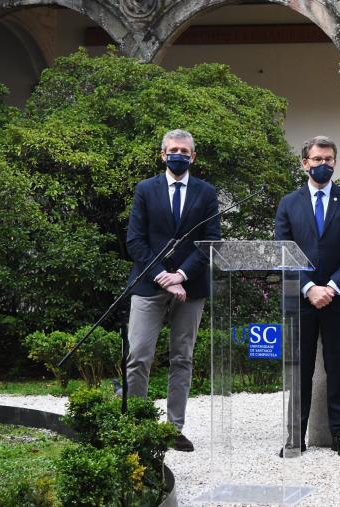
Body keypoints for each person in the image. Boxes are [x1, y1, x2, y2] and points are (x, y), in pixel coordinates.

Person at [125, 129, 220, 452]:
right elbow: (135, 241)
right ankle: (137, 425)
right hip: (148, 283)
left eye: (184, 151)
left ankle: (173, 429)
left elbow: (211, 240)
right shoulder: (145, 189)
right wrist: (163, 276)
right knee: (139, 355)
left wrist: (181, 274)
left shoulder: (206, 192)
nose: (178, 155)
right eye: (173, 150)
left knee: (182, 358)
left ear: (193, 156)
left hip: (191, 286)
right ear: (163, 154)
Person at [274, 135, 340, 458]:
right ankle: (295, 437)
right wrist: (309, 287)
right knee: (300, 370)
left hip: (338, 299)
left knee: (337, 369)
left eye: (328, 159)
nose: (323, 164)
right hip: (301, 301)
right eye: (317, 159)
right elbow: (284, 251)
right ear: (305, 164)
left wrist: (332, 286)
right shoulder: (289, 203)